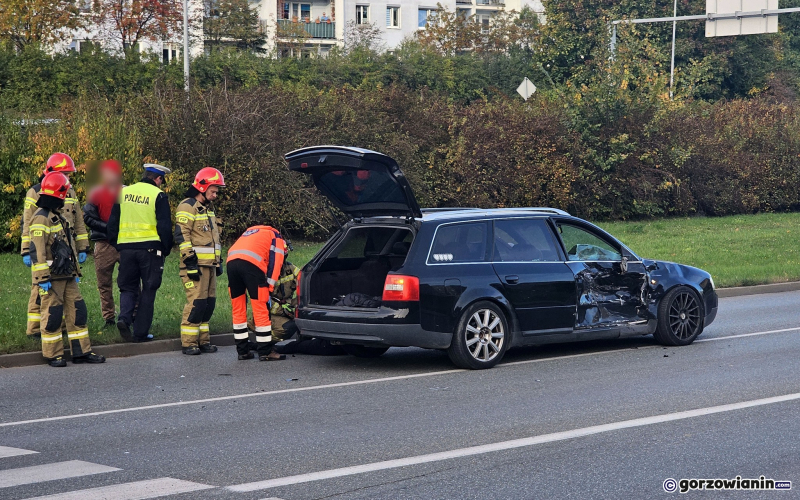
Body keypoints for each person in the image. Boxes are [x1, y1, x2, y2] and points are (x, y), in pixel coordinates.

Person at [29, 172, 105, 367]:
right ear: (57, 194)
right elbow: (37, 251)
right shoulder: (41, 219)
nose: (66, 196)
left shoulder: (58, 215)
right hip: (51, 277)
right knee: (53, 315)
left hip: (67, 274)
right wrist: (42, 277)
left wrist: (76, 269)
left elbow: (67, 245)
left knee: (77, 311)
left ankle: (81, 352)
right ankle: (53, 354)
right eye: (64, 193)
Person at [21, 153, 89, 339]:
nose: (67, 177)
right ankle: (35, 329)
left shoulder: (70, 192)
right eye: (64, 173)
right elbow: (29, 224)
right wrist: (27, 250)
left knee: (67, 293)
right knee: (40, 289)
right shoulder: (36, 192)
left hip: (66, 249)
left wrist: (82, 246)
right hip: (45, 248)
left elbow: (78, 221)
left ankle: (63, 326)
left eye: (68, 174)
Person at [107, 163, 173, 343]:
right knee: (149, 290)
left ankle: (124, 318)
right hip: (150, 250)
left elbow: (112, 223)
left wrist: (117, 244)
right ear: (158, 179)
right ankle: (140, 333)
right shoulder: (158, 195)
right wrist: (166, 248)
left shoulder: (124, 193)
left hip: (127, 249)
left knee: (128, 287)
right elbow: (164, 226)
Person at [174, 167, 224, 355]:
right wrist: (190, 263)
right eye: (213, 189)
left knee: (207, 305)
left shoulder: (208, 209)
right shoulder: (187, 206)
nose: (216, 194)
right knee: (195, 304)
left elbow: (213, 239)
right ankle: (189, 343)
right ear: (202, 187)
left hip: (210, 266)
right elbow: (182, 235)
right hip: (194, 267)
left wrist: (219, 262)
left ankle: (203, 341)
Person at [226, 225, 288, 361]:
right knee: (261, 307)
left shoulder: (251, 232)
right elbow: (275, 264)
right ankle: (265, 351)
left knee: (238, 308)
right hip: (252, 266)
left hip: (231, 263)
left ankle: (242, 351)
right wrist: (269, 288)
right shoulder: (276, 237)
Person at [83, 160, 123, 326]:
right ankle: (109, 317)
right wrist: (108, 229)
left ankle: (131, 314)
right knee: (103, 283)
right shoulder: (96, 193)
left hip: (123, 243)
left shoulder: (127, 192)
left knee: (130, 281)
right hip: (103, 243)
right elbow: (88, 217)